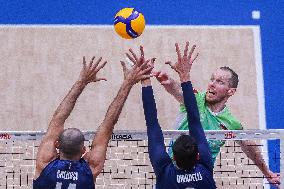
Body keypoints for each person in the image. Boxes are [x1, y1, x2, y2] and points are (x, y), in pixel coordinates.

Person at [154, 48, 280, 188]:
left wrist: (267, 172)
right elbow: (179, 90)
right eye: (212, 79)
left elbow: (249, 147)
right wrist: (169, 81)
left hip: (199, 179)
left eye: (219, 82)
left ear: (230, 91)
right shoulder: (195, 100)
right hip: (173, 176)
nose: (212, 84)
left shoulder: (230, 123)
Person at [33, 52, 153, 189]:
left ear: (57, 144)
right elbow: (108, 125)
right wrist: (128, 83)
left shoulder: (44, 163)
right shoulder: (90, 169)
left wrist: (81, 82)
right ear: (84, 150)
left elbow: (57, 118)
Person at [140, 42, 216, 189]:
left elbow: (152, 125)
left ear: (173, 157)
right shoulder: (205, 170)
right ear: (198, 156)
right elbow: (194, 120)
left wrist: (145, 79)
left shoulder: (166, 174)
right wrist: (184, 76)